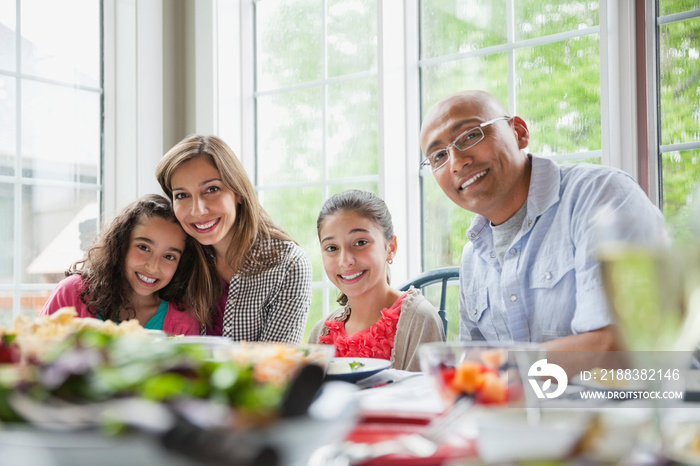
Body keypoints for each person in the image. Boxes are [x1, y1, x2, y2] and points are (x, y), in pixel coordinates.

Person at [419, 90, 667, 352]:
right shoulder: (473, 258)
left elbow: (617, 344)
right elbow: (476, 364)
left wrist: (507, 369)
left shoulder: (601, 196)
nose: (457, 162)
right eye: (439, 156)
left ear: (519, 133)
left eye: (470, 135)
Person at [156, 134, 312, 343]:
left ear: (238, 192)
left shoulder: (288, 264)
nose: (198, 210)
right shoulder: (175, 254)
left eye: (211, 189)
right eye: (182, 195)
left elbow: (276, 362)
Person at [308, 190, 445, 371]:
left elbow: (422, 395)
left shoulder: (419, 320)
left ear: (391, 247)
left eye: (360, 243)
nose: (345, 261)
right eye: (332, 247)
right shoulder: (320, 334)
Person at [41, 194, 208, 336]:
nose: (152, 267)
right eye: (143, 247)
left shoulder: (184, 321)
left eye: (169, 256)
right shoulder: (71, 294)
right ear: (122, 244)